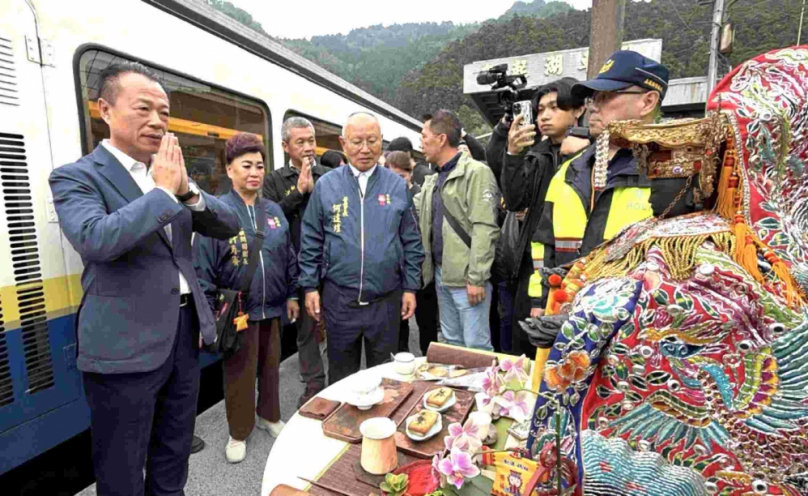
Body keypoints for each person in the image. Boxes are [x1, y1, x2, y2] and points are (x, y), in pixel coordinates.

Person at [48, 62, 240, 496]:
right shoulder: (76, 177)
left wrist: (187, 191)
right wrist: (163, 192)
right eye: (143, 109)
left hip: (182, 335)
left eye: (164, 113)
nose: (157, 121)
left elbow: (228, 224)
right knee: (121, 466)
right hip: (122, 346)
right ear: (105, 110)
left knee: (174, 451)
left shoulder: (170, 175)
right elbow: (96, 239)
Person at [521, 50, 698, 349]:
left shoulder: (675, 177)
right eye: (593, 98)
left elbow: (679, 276)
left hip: (636, 343)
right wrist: (540, 300)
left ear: (647, 102)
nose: (593, 106)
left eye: (606, 96)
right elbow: (543, 244)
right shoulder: (569, 171)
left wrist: (593, 317)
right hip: (563, 320)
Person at [194, 133, 298, 463]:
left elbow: (288, 255)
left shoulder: (274, 211)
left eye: (260, 166)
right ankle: (239, 431)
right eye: (246, 165)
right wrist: (206, 315)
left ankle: (269, 416)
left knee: (271, 367)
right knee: (238, 373)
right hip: (238, 310)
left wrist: (292, 293)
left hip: (273, 306)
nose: (255, 172)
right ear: (229, 169)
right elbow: (202, 268)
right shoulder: (217, 212)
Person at [299, 112, 424, 384]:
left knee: (387, 379)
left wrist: (410, 287)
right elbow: (311, 239)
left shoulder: (396, 185)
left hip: (386, 301)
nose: (365, 149)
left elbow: (412, 241)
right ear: (343, 143)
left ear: (382, 142)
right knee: (342, 379)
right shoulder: (326, 186)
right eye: (357, 142)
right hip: (340, 300)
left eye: (372, 141)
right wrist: (310, 286)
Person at [500, 78, 586, 354]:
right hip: (533, 266)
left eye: (554, 107)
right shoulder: (536, 155)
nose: (544, 116)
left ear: (579, 109)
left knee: (568, 349)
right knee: (526, 345)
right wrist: (513, 154)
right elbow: (515, 201)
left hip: (577, 267)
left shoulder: (595, 153)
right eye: (540, 110)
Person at [414, 110, 500, 351]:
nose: (421, 143)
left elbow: (485, 227)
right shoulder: (434, 179)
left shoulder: (476, 173)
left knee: (476, 346)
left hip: (467, 278)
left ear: (441, 139)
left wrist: (477, 278)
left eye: (424, 136)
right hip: (442, 274)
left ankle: (481, 379)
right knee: (452, 344)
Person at [262, 116, 330, 407]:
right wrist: (299, 192)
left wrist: (317, 193)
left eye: (311, 141)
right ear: (285, 146)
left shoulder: (329, 176)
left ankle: (340, 379)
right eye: (300, 142)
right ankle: (314, 383)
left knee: (338, 326)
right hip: (298, 267)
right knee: (306, 329)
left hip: (332, 264)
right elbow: (270, 218)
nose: (307, 147)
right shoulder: (274, 180)